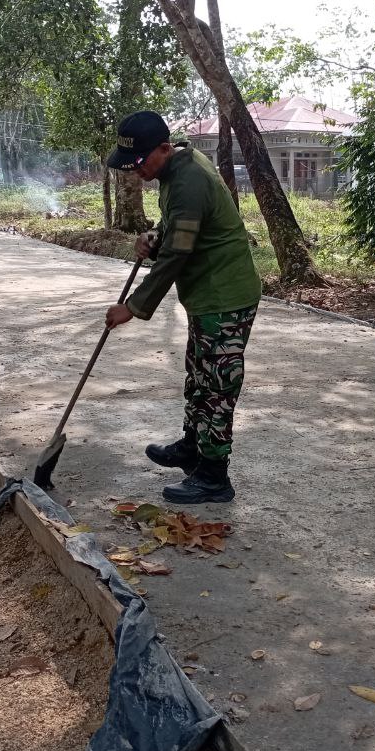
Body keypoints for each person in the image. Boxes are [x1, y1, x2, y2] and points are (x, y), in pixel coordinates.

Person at [103, 111, 262, 504]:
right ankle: (193, 447)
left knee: (217, 389)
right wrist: (153, 236)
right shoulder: (178, 167)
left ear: (162, 148)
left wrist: (134, 307)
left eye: (140, 162)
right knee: (198, 376)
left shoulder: (188, 179)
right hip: (207, 294)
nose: (135, 171)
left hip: (225, 296)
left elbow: (176, 255)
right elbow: (176, 225)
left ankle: (213, 477)